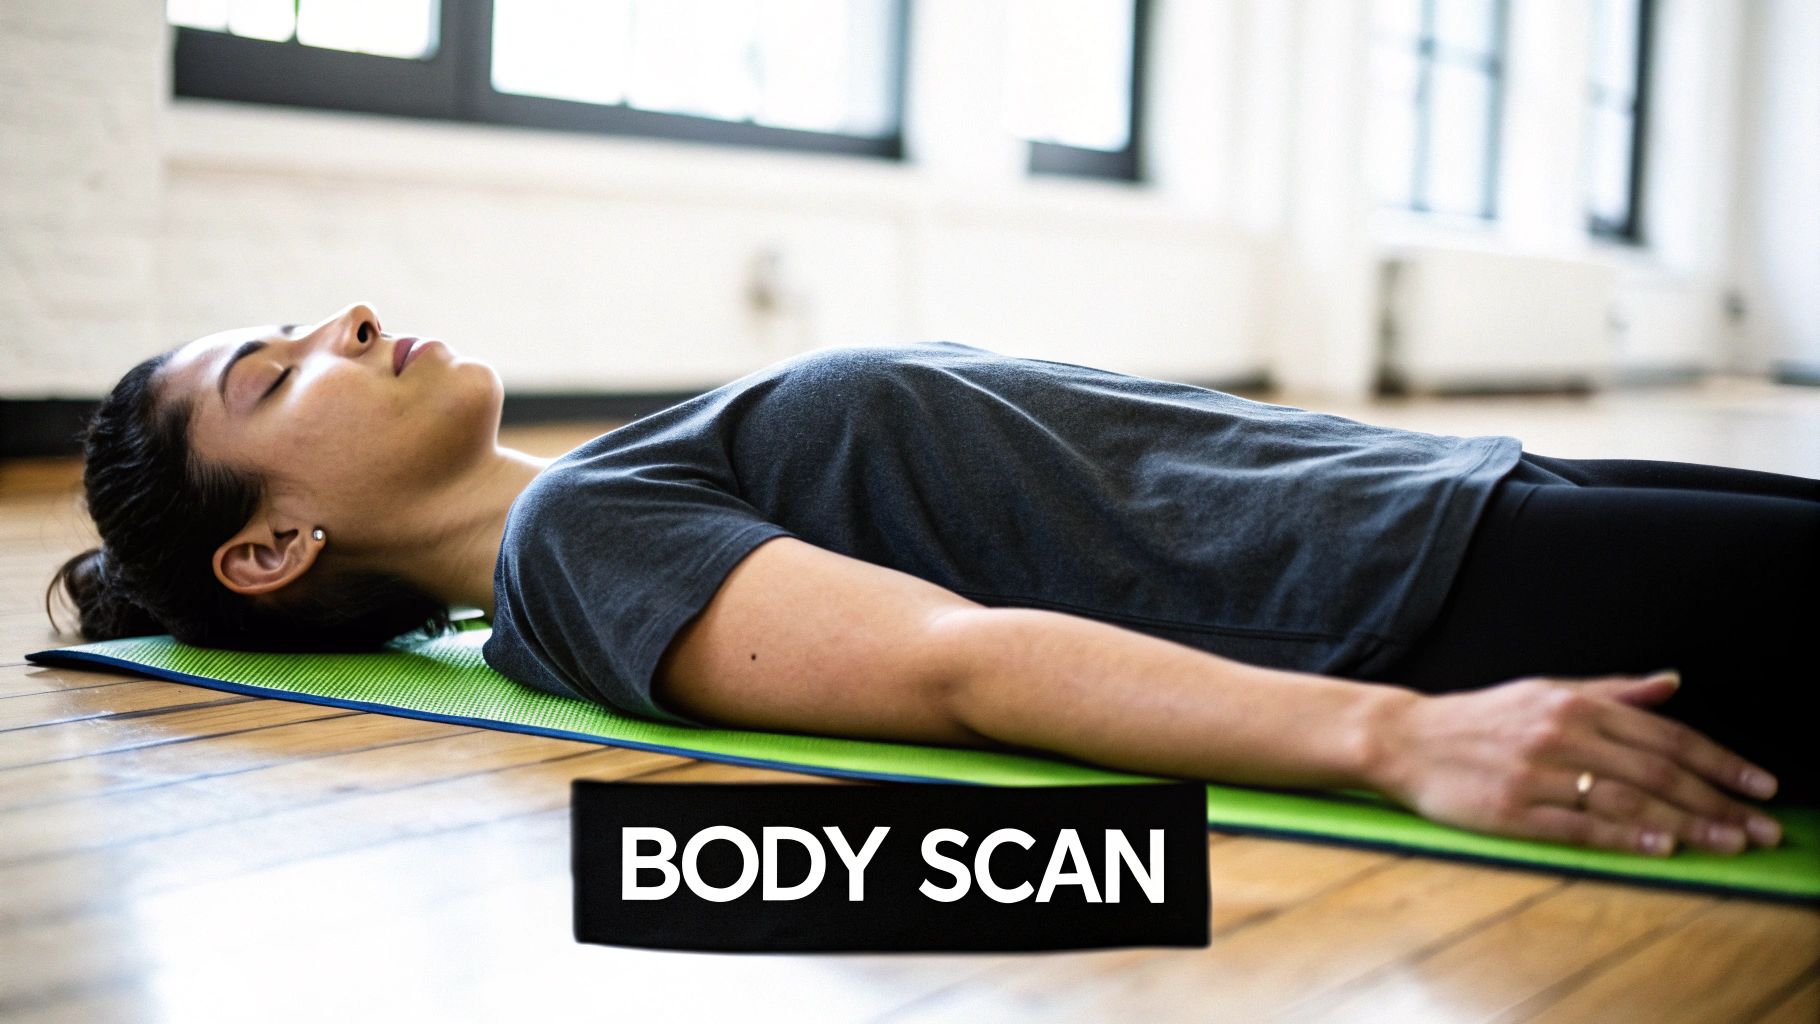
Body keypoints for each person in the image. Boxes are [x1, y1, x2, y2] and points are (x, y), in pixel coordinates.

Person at [48, 302, 1814, 861]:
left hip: (1459, 499)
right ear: (269, 549)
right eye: (280, 378)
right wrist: (1399, 745)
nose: (344, 325)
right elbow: (957, 665)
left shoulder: (605, 480)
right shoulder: (574, 549)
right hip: (1434, 604)